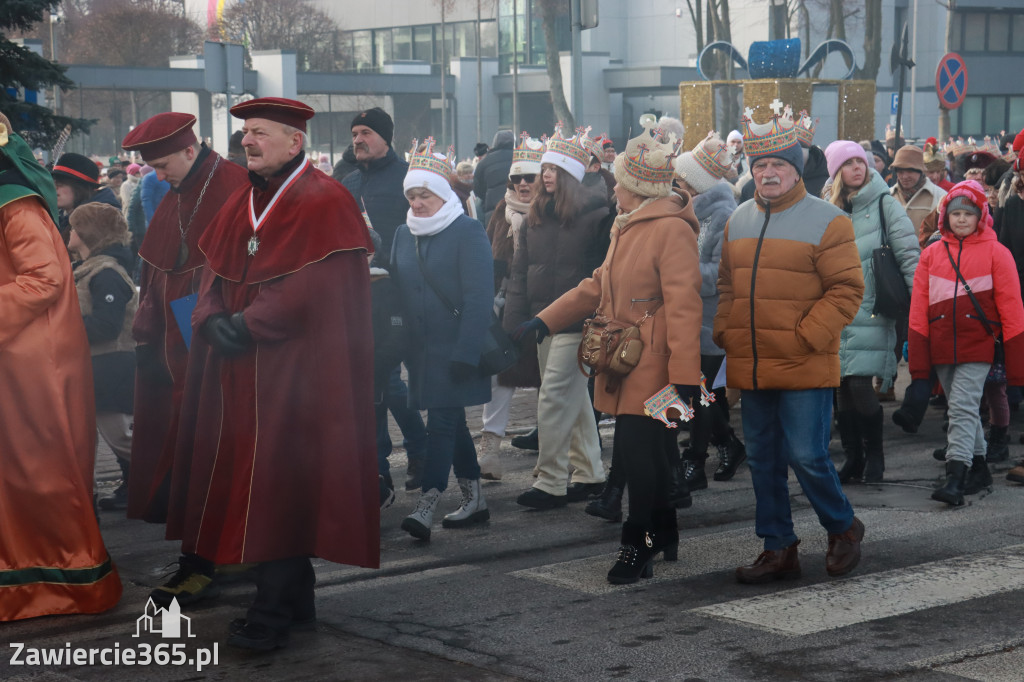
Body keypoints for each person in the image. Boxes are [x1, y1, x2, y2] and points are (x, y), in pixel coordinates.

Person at [169, 97, 378, 651]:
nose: (247, 142)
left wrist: (249, 323)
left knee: (279, 484)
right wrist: (211, 317)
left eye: (260, 133)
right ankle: (296, 602)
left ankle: (271, 615)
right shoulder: (243, 199)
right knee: (260, 480)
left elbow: (315, 288)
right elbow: (213, 269)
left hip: (296, 377)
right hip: (244, 372)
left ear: (295, 141)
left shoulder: (325, 200)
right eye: (245, 134)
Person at [520, 117, 702, 584]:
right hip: (626, 357)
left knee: (640, 456)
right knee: (653, 456)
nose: (612, 189)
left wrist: (684, 376)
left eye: (619, 182)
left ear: (635, 188)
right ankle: (663, 532)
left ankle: (636, 544)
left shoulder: (669, 230)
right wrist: (544, 320)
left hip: (655, 365)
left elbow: (684, 306)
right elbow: (597, 284)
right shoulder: (627, 225)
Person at [713, 102, 866, 584]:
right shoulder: (737, 220)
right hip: (752, 363)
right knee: (762, 460)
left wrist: (806, 337)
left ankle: (842, 527)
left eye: (778, 163)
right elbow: (725, 286)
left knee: (807, 455)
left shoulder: (828, 220)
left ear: (796, 168)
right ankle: (779, 546)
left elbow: (848, 290)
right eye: (760, 165)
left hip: (804, 362)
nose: (768, 173)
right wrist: (726, 329)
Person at [120, 111, 248, 606]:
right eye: (151, 166)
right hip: (177, 345)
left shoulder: (233, 184)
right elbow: (159, 273)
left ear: (190, 150)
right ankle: (208, 552)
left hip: (217, 341)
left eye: (164, 163)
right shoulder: (176, 193)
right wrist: (148, 337)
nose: (158, 174)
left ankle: (212, 558)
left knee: (216, 447)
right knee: (188, 447)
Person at [0, 114, 122, 620]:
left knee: (36, 471)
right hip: (15, 358)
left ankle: (58, 581)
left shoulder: (16, 205)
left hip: (30, 366)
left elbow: (44, 280)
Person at [391, 137, 494, 540]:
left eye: (425, 195)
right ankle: (475, 498)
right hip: (421, 354)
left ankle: (427, 503)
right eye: (412, 195)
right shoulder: (404, 234)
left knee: (442, 424)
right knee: (452, 425)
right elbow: (400, 294)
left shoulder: (467, 231)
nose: (417, 203)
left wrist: (466, 352)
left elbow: (479, 298)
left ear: (443, 194)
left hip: (457, 351)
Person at [505, 126, 610, 509]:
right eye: (544, 167)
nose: (545, 175)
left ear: (570, 175)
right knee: (575, 400)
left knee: (552, 398)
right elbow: (520, 271)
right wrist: (514, 321)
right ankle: (590, 473)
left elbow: (601, 276)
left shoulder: (597, 216)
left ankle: (550, 480)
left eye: (553, 169)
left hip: (577, 322)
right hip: (541, 321)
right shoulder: (535, 215)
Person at [909, 181, 1024, 505]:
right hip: (942, 344)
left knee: (960, 407)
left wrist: (1017, 358)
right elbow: (919, 307)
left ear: (980, 217)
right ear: (945, 216)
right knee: (965, 409)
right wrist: (919, 355)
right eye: (955, 213)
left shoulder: (996, 253)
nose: (961, 219)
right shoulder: (931, 254)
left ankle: (955, 478)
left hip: (979, 345)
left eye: (967, 214)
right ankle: (981, 468)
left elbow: (1012, 307)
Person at [822, 141, 919, 484]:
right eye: (847, 164)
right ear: (836, 172)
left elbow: (909, 253)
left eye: (860, 162)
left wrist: (917, 302)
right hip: (834, 308)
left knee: (861, 385)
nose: (857, 168)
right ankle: (854, 456)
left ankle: (874, 456)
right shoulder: (826, 208)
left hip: (873, 307)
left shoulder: (884, 203)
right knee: (841, 387)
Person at [341, 107, 428, 494]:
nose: (358, 139)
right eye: (355, 133)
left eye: (365, 133)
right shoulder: (347, 182)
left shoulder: (409, 178)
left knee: (399, 383)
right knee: (378, 382)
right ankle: (380, 470)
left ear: (385, 137)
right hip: (367, 298)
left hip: (411, 293)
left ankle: (422, 451)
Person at [672, 132, 747, 490]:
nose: (675, 184)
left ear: (696, 184)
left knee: (700, 392)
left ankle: (695, 461)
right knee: (699, 392)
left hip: (710, 317)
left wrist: (677, 272)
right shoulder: (682, 210)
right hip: (684, 313)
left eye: (681, 180)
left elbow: (720, 273)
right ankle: (730, 444)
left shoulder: (722, 215)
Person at [478, 134, 546, 480]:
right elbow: (491, 261)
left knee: (547, 382)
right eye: (516, 178)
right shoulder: (501, 213)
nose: (522, 184)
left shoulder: (553, 212)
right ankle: (490, 449)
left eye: (529, 177)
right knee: (500, 378)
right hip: (507, 305)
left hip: (544, 307)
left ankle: (549, 455)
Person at [68, 203, 139, 511]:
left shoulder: (106, 273)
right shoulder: (91, 269)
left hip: (110, 368)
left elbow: (107, 327)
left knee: (123, 437)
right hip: (94, 367)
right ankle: (102, 494)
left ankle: (179, 483)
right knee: (94, 437)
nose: (68, 232)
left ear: (87, 234)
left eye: (73, 227)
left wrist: (61, 326)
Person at [51, 152, 121, 242]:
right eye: (54, 183)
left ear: (79, 188)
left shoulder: (100, 221)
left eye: (61, 184)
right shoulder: (63, 217)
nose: (55, 189)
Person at [889, 145, 946, 238]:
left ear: (920, 171)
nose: (905, 176)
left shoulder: (940, 197)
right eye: (900, 172)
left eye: (910, 171)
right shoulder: (888, 196)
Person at [474, 129, 515, 226]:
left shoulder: (484, 162)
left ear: (495, 143)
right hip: (517, 211)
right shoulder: (520, 159)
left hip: (493, 213)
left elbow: (478, 189)